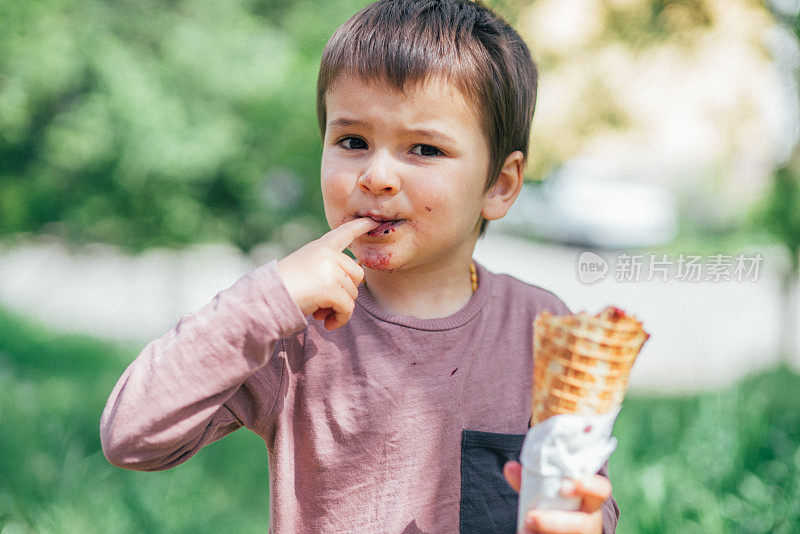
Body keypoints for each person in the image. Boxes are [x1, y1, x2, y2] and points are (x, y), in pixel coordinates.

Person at [100, 0, 620, 532]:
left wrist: (584, 521)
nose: (375, 176)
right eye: (352, 141)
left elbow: (583, 493)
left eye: (423, 148)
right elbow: (132, 436)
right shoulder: (294, 326)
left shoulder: (538, 327)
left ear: (500, 185)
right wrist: (268, 299)